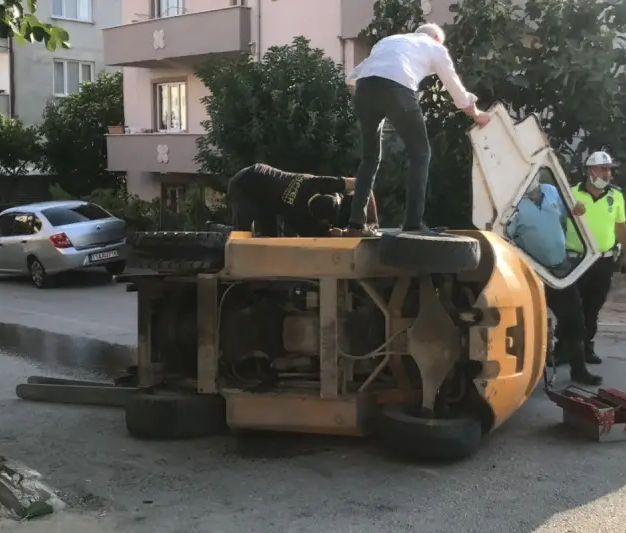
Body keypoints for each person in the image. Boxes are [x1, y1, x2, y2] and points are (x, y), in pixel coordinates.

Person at [344, 23, 491, 237]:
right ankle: (413, 223)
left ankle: (356, 224)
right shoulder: (435, 47)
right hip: (397, 88)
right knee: (420, 153)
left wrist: (371, 104)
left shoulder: (389, 41)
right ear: (436, 39)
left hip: (364, 90)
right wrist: (476, 113)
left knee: (370, 158)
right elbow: (455, 88)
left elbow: (352, 79)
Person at [506, 179, 602, 385]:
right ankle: (525, 378)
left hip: (560, 269)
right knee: (531, 325)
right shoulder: (512, 203)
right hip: (533, 273)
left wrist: (577, 208)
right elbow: (506, 237)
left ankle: (578, 368)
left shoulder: (550, 191)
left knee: (575, 319)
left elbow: (569, 211)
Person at [553, 151, 626, 367]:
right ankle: (562, 349)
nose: (608, 174)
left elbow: (621, 226)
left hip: (603, 260)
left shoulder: (615, 196)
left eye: (609, 170)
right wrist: (570, 212)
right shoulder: (571, 194)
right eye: (603, 169)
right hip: (576, 259)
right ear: (591, 171)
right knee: (570, 306)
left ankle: (586, 347)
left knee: (593, 306)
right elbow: (554, 218)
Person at [227, 163, 375, 237]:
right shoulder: (296, 217)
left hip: (263, 181)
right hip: (243, 185)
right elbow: (326, 237)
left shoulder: (316, 183)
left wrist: (372, 221)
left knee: (269, 239)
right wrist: (342, 233)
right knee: (242, 238)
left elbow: (363, 184)